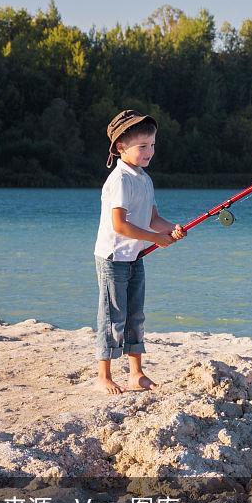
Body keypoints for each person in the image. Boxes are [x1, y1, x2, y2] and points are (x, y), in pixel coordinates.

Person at [92, 110, 185, 394]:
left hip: (135, 257)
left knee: (135, 316)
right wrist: (155, 238)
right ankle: (103, 376)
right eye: (142, 146)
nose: (149, 152)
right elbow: (120, 225)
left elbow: (153, 218)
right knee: (113, 317)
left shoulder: (144, 178)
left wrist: (172, 229)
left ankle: (136, 374)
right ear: (121, 147)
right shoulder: (120, 179)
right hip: (113, 258)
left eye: (152, 145)